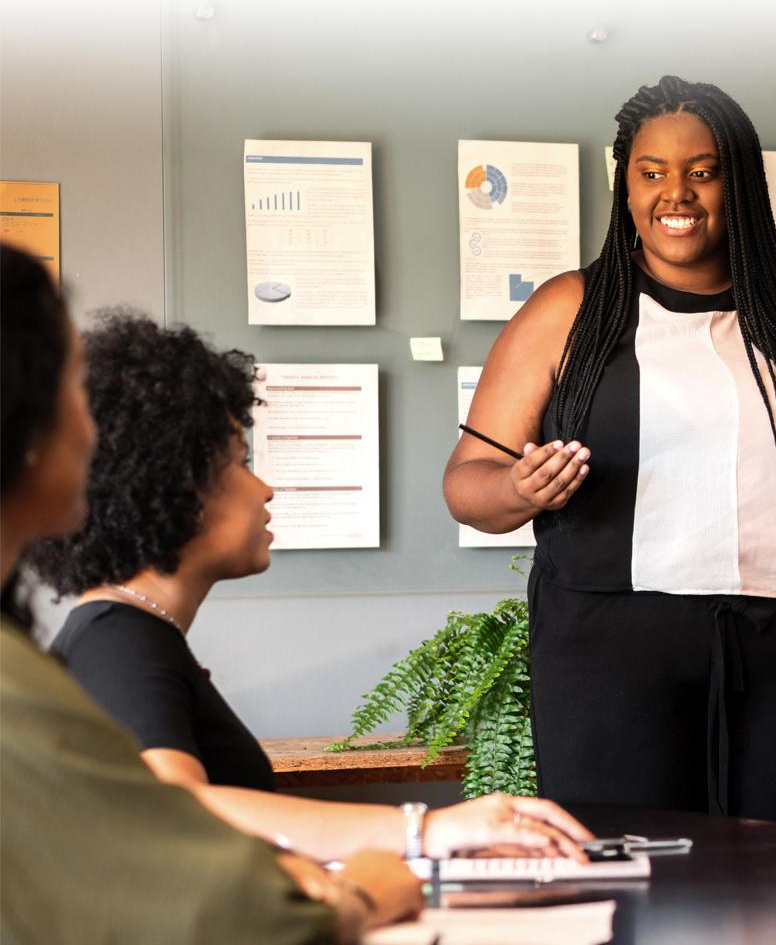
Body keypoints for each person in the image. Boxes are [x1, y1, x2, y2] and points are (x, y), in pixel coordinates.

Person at [443, 75, 776, 828]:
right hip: (612, 655)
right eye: (651, 173)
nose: (676, 194)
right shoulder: (570, 310)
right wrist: (523, 490)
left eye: (703, 171)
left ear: (742, 184)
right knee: (629, 882)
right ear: (625, 188)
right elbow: (468, 484)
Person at [30, 312, 595, 864]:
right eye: (241, 463)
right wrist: (427, 830)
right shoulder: (120, 641)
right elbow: (173, 809)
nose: (264, 488)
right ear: (177, 490)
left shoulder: (130, 631)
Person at [0, 244, 420, 943]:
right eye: (70, 388)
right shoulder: (113, 642)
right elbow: (178, 828)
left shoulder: (101, 641)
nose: (89, 426)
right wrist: (396, 858)